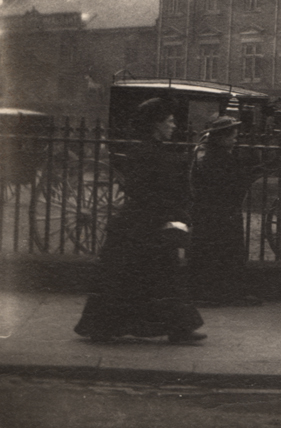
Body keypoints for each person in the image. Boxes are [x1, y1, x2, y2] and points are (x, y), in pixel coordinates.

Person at [74, 98, 205, 344]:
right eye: (169, 121)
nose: (174, 125)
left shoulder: (152, 149)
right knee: (154, 276)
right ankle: (177, 329)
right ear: (156, 124)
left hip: (145, 222)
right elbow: (144, 189)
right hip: (143, 223)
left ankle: (173, 328)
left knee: (144, 277)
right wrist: (171, 212)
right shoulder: (145, 151)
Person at [188, 116, 263, 307]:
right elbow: (225, 183)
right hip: (217, 211)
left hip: (215, 211)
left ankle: (216, 292)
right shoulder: (214, 155)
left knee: (219, 251)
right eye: (232, 136)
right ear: (221, 137)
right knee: (221, 252)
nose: (235, 139)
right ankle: (221, 293)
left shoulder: (210, 152)